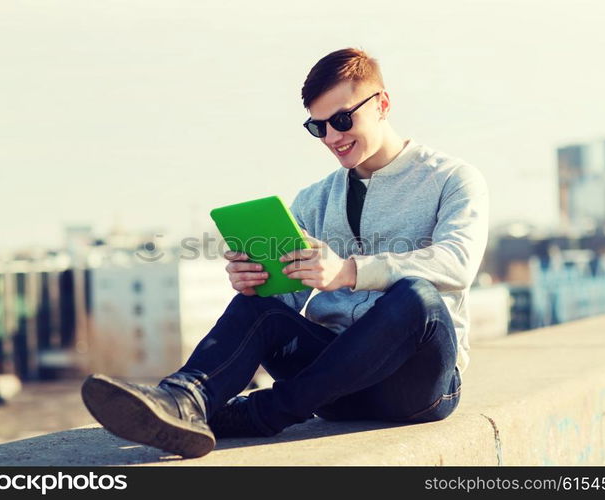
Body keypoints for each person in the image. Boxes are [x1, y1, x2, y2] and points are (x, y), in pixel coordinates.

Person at [81, 47, 489, 459]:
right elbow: (287, 298)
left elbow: (458, 263)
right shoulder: (313, 200)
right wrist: (256, 282)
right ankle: (183, 401)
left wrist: (348, 271)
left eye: (343, 120)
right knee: (257, 310)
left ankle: (261, 413)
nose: (333, 137)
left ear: (382, 104)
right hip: (333, 389)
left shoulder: (452, 179)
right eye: (319, 127)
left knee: (416, 296)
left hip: (416, 387)